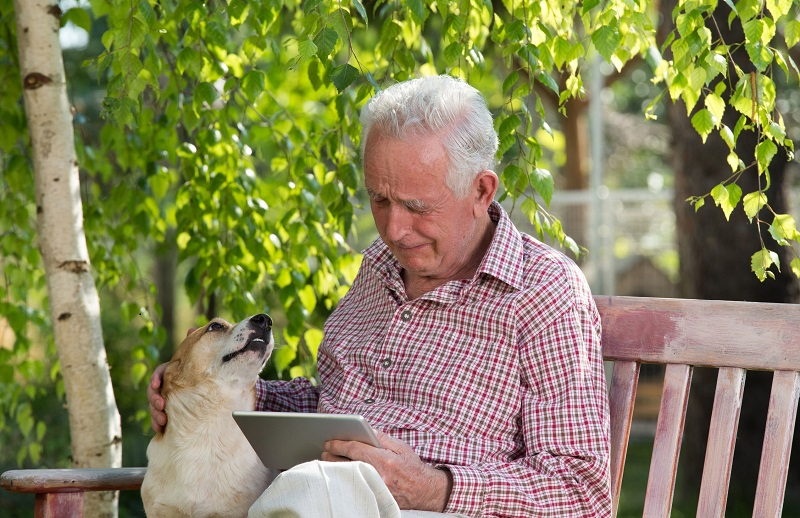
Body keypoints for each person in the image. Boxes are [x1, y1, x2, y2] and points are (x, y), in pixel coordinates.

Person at [148, 75, 612, 517]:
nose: (393, 230)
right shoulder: (380, 266)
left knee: (312, 492)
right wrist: (213, 386)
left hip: (428, 512)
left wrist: (435, 488)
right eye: (379, 200)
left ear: (481, 189)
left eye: (416, 206)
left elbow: (582, 494)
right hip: (320, 498)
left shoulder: (545, 291)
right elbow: (338, 407)